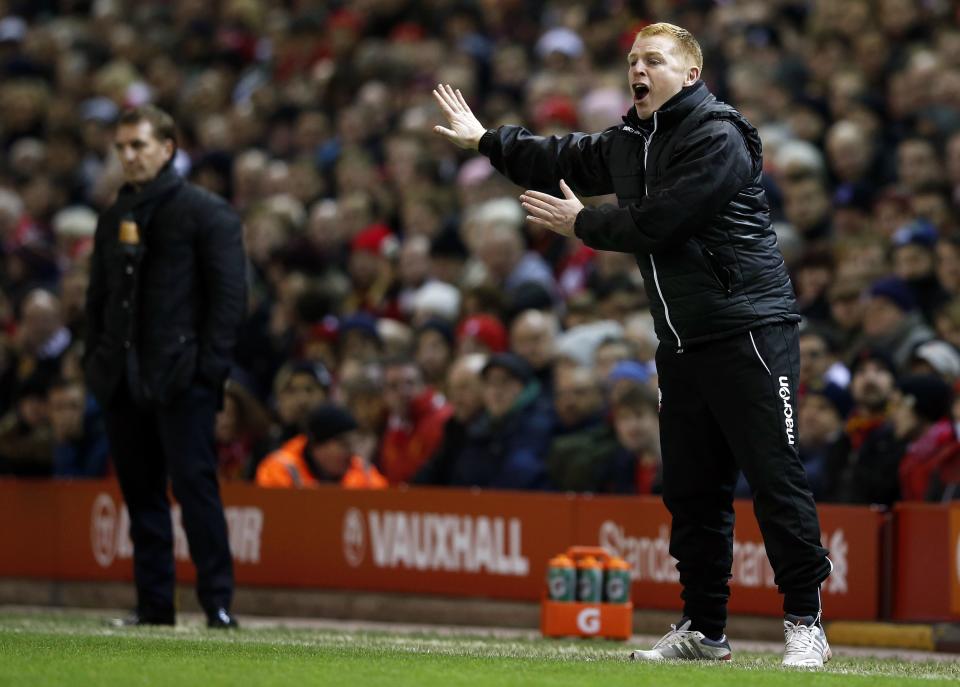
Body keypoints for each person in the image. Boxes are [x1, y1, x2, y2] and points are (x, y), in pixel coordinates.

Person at [434, 22, 832, 666]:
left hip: (750, 328)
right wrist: (487, 140)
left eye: (654, 60)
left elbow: (663, 220)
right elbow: (558, 157)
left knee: (773, 478)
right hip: (681, 340)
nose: (637, 70)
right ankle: (704, 630)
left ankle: (805, 622)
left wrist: (583, 223)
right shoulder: (628, 142)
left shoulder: (719, 137)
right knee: (692, 491)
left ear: (691, 74)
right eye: (632, 61)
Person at [84, 105, 245, 628]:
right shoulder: (114, 217)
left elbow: (228, 300)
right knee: (141, 494)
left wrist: (208, 372)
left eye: (139, 146)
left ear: (169, 148)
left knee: (195, 488)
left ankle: (216, 603)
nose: (129, 156)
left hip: (182, 376)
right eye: (122, 148)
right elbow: (99, 299)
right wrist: (98, 361)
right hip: (123, 376)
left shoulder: (206, 213)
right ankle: (154, 604)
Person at [255, 403, 387, 489]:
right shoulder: (280, 469)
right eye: (344, 444)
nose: (351, 452)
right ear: (317, 446)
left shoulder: (362, 471)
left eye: (352, 444)